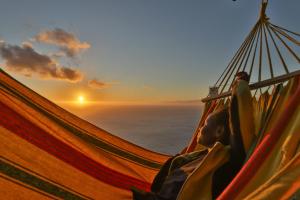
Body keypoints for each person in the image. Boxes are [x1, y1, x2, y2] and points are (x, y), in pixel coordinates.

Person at [132, 108, 233, 200]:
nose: (199, 128)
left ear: (219, 131)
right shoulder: (199, 157)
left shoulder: (218, 165)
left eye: (205, 124)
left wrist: (237, 92)